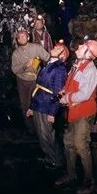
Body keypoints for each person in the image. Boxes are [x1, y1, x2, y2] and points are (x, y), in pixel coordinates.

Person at [55, 38, 97, 194]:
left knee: (81, 144)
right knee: (68, 142)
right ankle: (70, 174)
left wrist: (67, 98)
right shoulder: (77, 64)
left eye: (83, 46)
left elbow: (85, 93)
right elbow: (71, 83)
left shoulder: (91, 71)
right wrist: (64, 90)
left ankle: (89, 180)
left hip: (84, 112)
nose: (80, 46)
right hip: (73, 111)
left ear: (89, 54)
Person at [26, 40, 69, 168]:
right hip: (39, 103)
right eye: (55, 47)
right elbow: (39, 87)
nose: (54, 48)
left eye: (57, 48)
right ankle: (49, 156)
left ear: (62, 55)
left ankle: (56, 160)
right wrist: (32, 107)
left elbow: (58, 92)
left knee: (47, 135)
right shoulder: (49, 64)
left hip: (46, 106)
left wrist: (52, 112)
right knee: (41, 134)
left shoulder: (60, 69)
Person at [11, 28, 49, 132]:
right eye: (19, 37)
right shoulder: (16, 53)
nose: (22, 38)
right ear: (17, 40)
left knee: (36, 103)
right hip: (22, 80)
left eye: (24, 36)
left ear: (28, 37)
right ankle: (30, 128)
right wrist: (25, 65)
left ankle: (40, 127)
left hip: (35, 79)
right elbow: (14, 69)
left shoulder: (36, 48)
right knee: (25, 104)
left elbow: (48, 58)